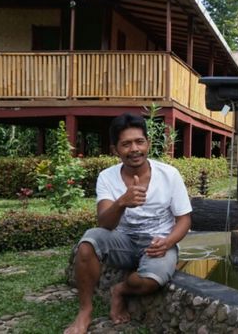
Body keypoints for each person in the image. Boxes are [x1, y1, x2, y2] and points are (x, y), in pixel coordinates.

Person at [65, 113, 192, 334]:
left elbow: (184, 219)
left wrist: (167, 242)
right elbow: (104, 223)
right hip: (122, 241)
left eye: (139, 142)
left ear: (148, 144)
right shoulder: (107, 177)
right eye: (126, 144)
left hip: (157, 243)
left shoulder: (169, 175)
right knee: (88, 243)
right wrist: (122, 202)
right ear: (115, 150)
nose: (134, 149)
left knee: (151, 280)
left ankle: (120, 290)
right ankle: (85, 311)